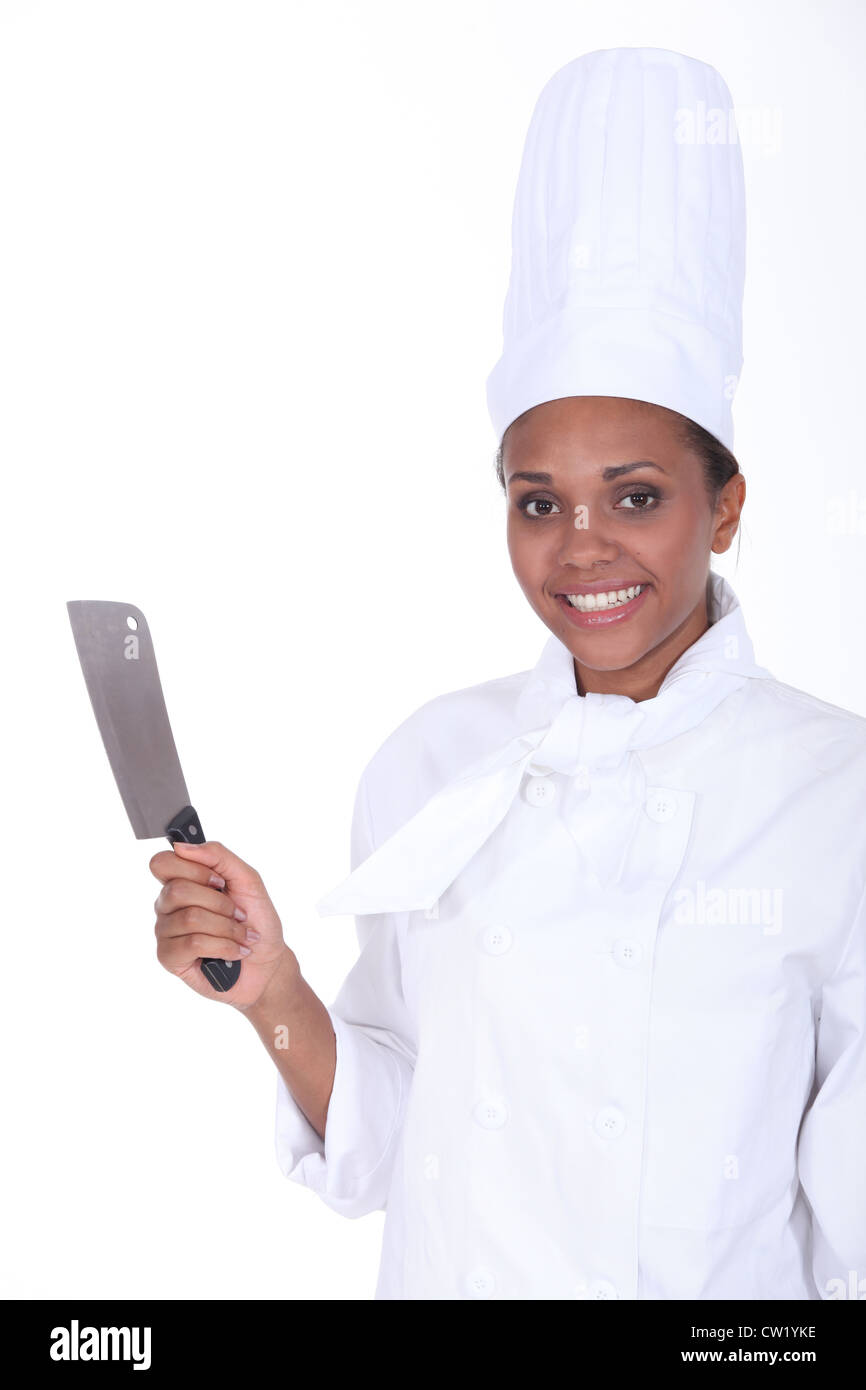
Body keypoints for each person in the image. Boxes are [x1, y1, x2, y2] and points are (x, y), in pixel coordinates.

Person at [149, 48, 866, 1300]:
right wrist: (270, 990)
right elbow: (391, 1145)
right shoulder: (433, 761)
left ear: (726, 505)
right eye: (538, 500)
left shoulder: (834, 793)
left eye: (634, 495)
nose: (581, 544)